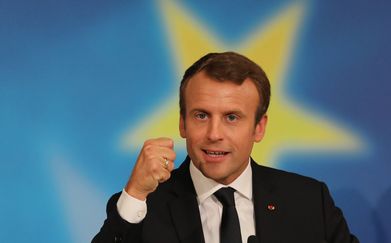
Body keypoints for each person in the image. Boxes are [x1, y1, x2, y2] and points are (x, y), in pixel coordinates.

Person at [92, 52, 359, 243]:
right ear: (182, 124)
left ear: (259, 128)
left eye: (232, 117)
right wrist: (136, 193)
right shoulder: (144, 208)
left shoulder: (309, 201)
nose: (214, 134)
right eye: (201, 115)